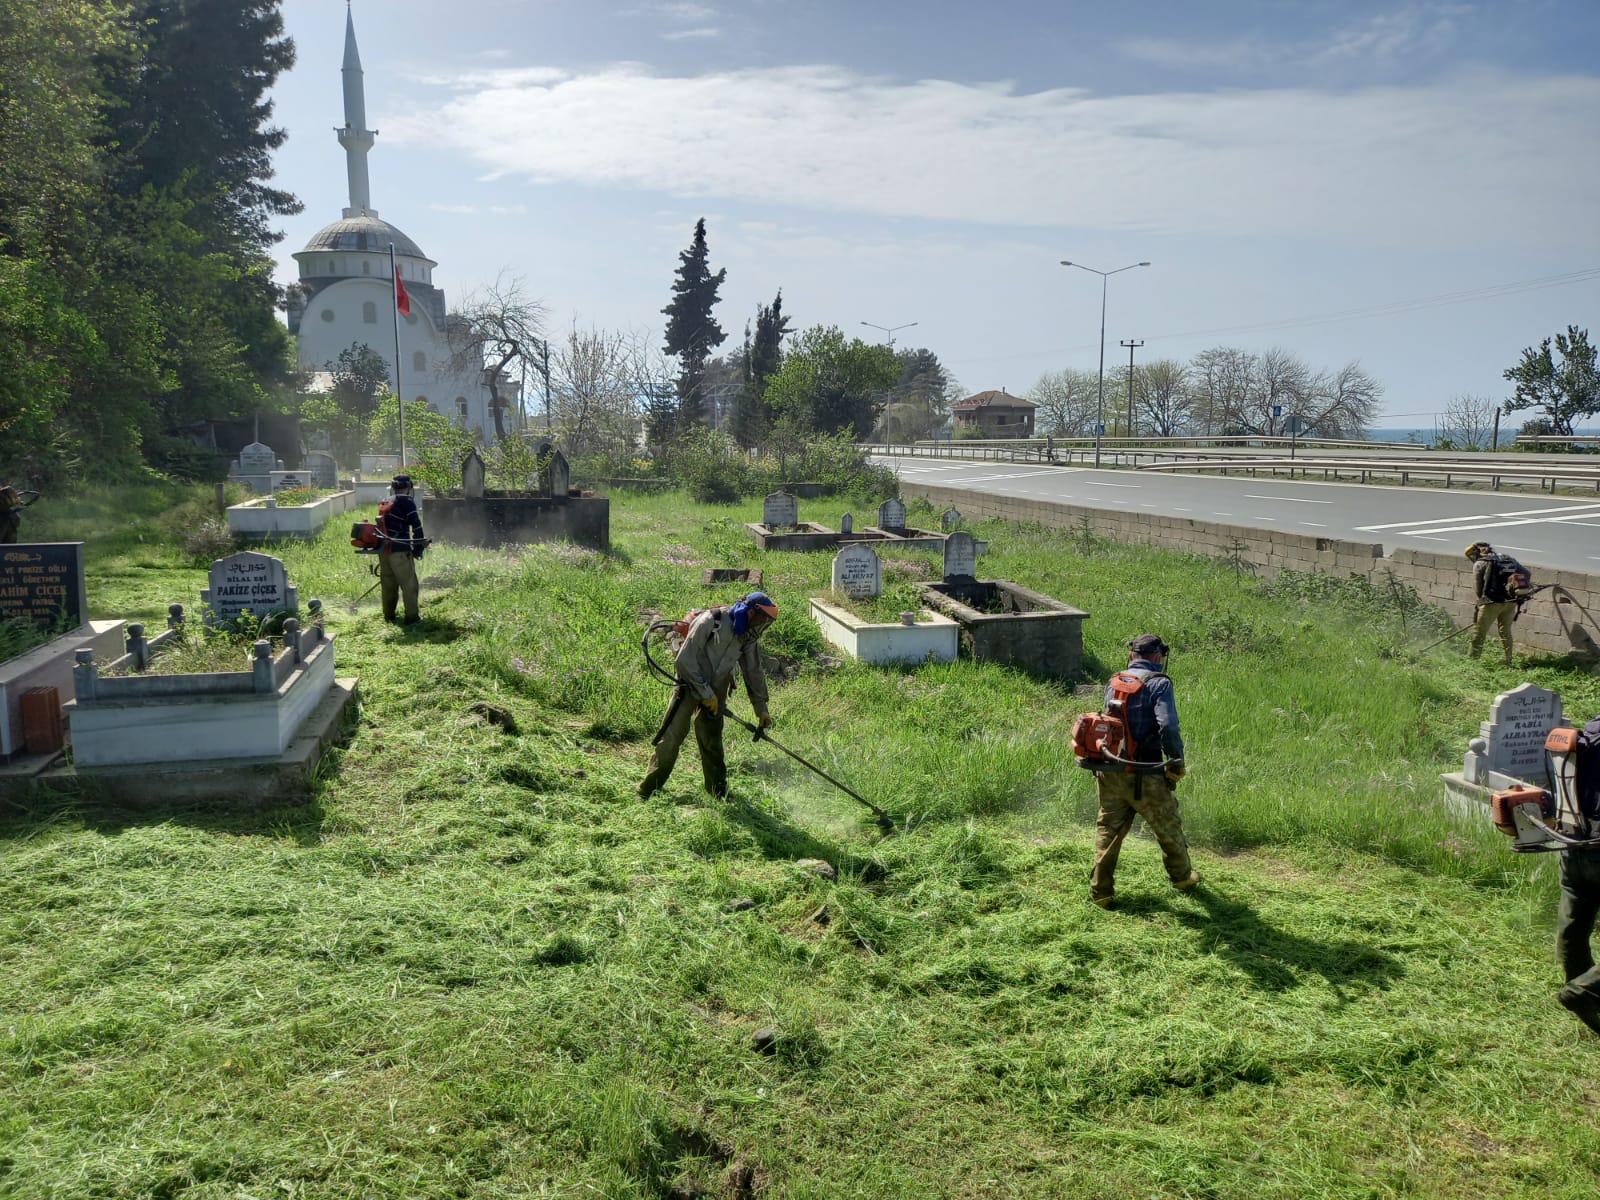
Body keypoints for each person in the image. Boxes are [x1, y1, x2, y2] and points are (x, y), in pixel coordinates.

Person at [1089, 633, 1201, 907]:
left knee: (1109, 829)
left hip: (1110, 768)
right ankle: (1182, 878)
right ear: (1157, 656)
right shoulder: (1159, 683)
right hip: (1145, 772)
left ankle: (1101, 892)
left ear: (1132, 655)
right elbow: (1168, 726)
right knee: (1167, 825)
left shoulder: (1114, 679)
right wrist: (1176, 760)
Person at [639, 592, 778, 800]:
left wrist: (761, 709)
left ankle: (717, 793)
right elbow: (684, 660)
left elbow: (753, 673)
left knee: (712, 741)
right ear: (750, 612)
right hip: (689, 684)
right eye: (761, 619)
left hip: (718, 689)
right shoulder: (711, 621)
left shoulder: (747, 637)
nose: (762, 625)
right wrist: (705, 692)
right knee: (671, 737)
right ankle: (647, 790)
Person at [1557, 714, 1600, 1036]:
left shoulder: (1587, 734)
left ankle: (1584, 1001)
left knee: (1574, 929)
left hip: (1573, 841)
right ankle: (1583, 991)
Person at [379, 474, 426, 625]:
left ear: (393, 487)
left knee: (388, 586)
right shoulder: (407, 502)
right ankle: (412, 619)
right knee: (409, 585)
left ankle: (389, 616)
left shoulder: (386, 501)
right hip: (400, 551)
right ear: (408, 488)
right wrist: (419, 547)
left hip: (384, 551)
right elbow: (416, 526)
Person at [1465, 541, 1519, 665]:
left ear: (1475, 553)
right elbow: (1526, 573)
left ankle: (1471, 663)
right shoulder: (1507, 558)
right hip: (1511, 601)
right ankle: (1508, 660)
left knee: (1479, 633)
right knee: (1505, 631)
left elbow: (1478, 588)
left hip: (1492, 602)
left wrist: (1482, 603)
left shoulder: (1479, 563)